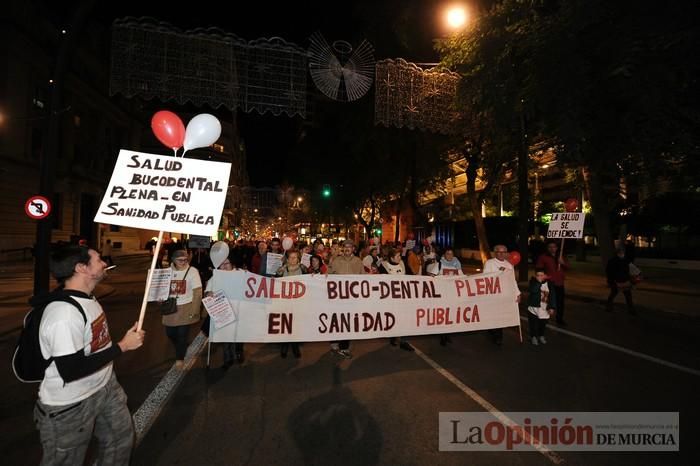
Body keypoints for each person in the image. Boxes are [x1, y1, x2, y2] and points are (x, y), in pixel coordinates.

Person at [34, 245, 145, 466]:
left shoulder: (88, 298)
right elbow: (70, 369)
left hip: (105, 387)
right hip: (70, 405)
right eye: (98, 259)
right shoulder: (63, 314)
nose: (104, 263)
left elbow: (95, 344)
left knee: (120, 440)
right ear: (82, 268)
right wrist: (122, 346)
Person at [162, 249, 202, 369]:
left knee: (182, 335)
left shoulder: (193, 271)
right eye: (180, 260)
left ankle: (180, 358)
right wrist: (159, 298)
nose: (184, 262)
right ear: (173, 260)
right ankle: (181, 346)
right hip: (171, 308)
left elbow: (198, 292)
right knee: (170, 333)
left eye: (185, 260)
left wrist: (195, 310)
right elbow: (161, 289)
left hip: (186, 306)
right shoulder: (166, 272)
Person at [205, 251, 245, 368]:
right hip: (223, 309)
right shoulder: (217, 275)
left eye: (226, 263)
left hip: (239, 308)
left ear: (232, 263)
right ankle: (228, 358)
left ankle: (239, 351)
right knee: (226, 335)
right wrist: (209, 293)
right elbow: (208, 291)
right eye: (221, 264)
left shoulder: (241, 273)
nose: (224, 266)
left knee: (238, 334)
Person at [327, 239, 365, 358]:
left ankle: (344, 347)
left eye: (350, 246)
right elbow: (327, 276)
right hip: (337, 299)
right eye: (345, 246)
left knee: (348, 322)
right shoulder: (336, 261)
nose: (347, 248)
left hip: (351, 300)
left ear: (354, 249)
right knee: (336, 321)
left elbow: (364, 278)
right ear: (342, 248)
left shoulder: (358, 261)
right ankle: (334, 342)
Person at [483, 244, 521, 345]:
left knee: (500, 315)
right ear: (495, 253)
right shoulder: (489, 263)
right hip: (493, 294)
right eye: (499, 252)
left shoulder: (509, 265)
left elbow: (512, 280)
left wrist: (517, 293)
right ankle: (494, 332)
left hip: (505, 294)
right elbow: (486, 277)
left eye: (504, 252)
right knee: (493, 314)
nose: (501, 254)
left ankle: (497, 335)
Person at [378, 248, 414, 351]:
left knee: (405, 319)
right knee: (392, 318)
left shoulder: (403, 264)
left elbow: (411, 276)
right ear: (392, 258)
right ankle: (393, 336)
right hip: (390, 298)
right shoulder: (383, 266)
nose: (400, 258)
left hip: (403, 297)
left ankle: (404, 341)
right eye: (398, 256)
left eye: (400, 256)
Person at [276, 249, 307, 358]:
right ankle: (284, 346)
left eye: (295, 257)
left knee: (295, 325)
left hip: (298, 302)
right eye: (290, 257)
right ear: (287, 259)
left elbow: (311, 281)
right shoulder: (282, 270)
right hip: (285, 302)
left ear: (298, 258)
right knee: (285, 324)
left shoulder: (303, 269)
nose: (293, 260)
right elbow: (275, 282)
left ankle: (295, 346)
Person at [535, 241, 568, 326]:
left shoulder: (560, 256)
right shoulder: (543, 257)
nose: (552, 248)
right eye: (550, 247)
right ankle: (545, 317)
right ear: (547, 248)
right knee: (547, 301)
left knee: (560, 302)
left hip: (559, 282)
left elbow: (568, 267)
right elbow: (539, 269)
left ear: (557, 248)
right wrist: (543, 277)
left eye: (554, 247)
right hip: (548, 283)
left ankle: (559, 319)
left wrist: (562, 262)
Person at [527, 268, 557, 345]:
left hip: (544, 308)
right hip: (534, 307)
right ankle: (533, 336)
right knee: (533, 324)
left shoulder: (549, 284)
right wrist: (538, 282)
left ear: (545, 276)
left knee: (542, 324)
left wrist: (552, 307)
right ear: (535, 276)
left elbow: (552, 296)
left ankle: (541, 335)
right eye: (538, 275)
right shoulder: (533, 282)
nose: (540, 277)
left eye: (541, 275)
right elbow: (533, 290)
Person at [605, 246, 637, 315]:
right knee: (614, 294)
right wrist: (610, 281)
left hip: (624, 280)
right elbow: (609, 272)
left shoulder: (625, 260)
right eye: (621, 252)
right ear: (617, 253)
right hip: (616, 281)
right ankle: (609, 306)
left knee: (627, 295)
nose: (622, 254)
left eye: (623, 252)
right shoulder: (613, 261)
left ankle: (630, 309)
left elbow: (629, 270)